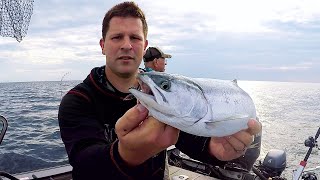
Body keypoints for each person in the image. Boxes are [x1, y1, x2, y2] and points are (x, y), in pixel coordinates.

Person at [58, 1, 262, 180]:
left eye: (135, 38)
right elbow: (84, 163)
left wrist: (214, 149)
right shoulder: (78, 100)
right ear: (103, 45)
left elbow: (188, 137)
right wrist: (125, 155)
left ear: (144, 45)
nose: (127, 45)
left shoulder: (160, 98)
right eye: (117, 37)